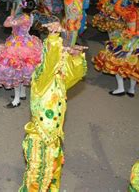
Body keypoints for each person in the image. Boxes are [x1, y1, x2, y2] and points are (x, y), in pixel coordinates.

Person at [19, 22, 87, 191]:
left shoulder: (59, 81)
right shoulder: (42, 80)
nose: (65, 55)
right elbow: (50, 62)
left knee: (53, 177)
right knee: (37, 179)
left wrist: (77, 57)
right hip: (39, 139)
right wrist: (54, 37)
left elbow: (75, 74)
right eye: (62, 54)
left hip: (54, 139)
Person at [0, 0, 42, 108]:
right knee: (23, 70)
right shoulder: (30, 16)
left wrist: (12, 13)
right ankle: (22, 94)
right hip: (27, 43)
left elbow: (6, 24)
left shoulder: (23, 18)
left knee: (16, 71)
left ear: (24, 7)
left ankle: (16, 100)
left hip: (18, 45)